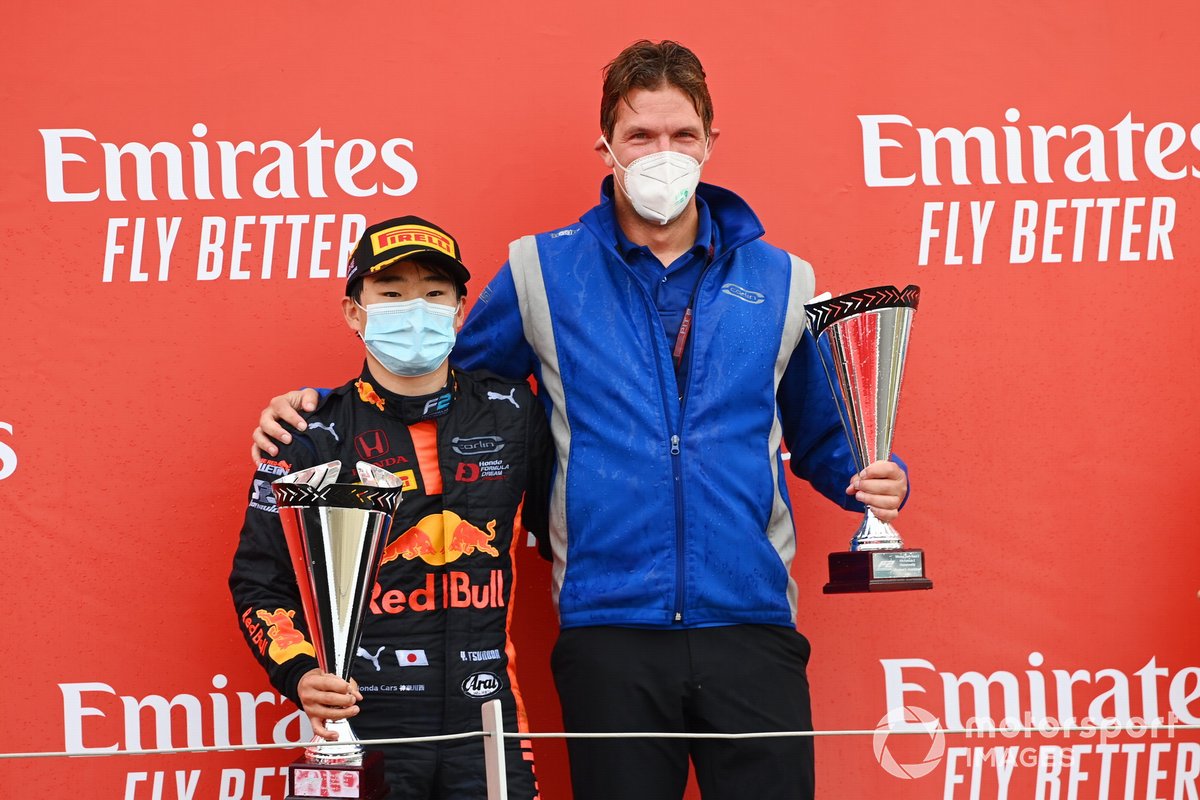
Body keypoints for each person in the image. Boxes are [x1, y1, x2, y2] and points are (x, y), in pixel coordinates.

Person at [252, 42, 908, 800]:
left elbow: (826, 434)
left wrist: (875, 482)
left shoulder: (784, 278)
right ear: (607, 147)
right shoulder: (541, 270)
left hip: (751, 622)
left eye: (681, 135)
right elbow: (434, 380)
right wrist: (314, 413)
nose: (664, 154)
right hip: (608, 631)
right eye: (641, 137)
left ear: (710, 142)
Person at [230, 215, 551, 800]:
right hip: (363, 723)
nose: (415, 309)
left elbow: (563, 526)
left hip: (487, 719)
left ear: (458, 311)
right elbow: (259, 582)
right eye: (392, 293)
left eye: (434, 294)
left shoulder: (515, 415)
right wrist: (301, 674)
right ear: (355, 311)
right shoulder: (308, 434)